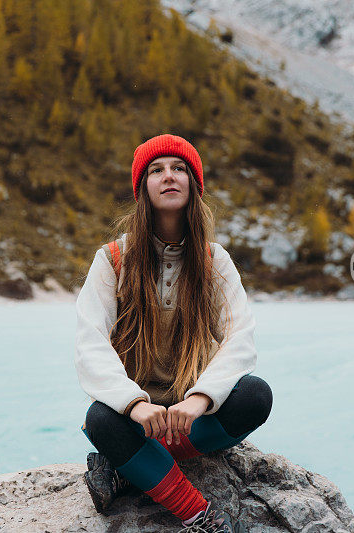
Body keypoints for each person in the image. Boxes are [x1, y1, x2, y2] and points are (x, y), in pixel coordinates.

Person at [74, 133, 273, 533]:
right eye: (157, 170)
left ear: (193, 186)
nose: (169, 176)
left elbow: (240, 338)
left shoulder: (214, 260)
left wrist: (199, 399)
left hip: (191, 414)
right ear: (143, 187)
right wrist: (134, 406)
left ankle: (136, 466)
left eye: (179, 168)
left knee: (255, 396)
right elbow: (89, 342)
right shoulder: (112, 259)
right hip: (135, 415)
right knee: (99, 419)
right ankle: (199, 516)